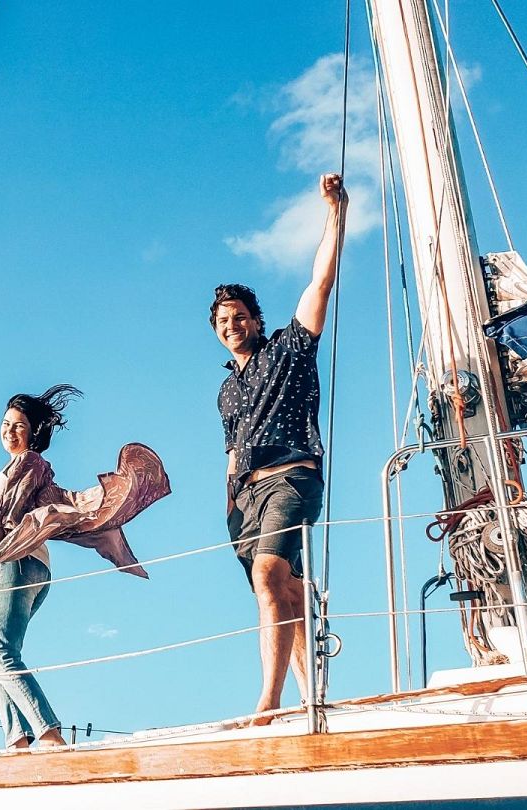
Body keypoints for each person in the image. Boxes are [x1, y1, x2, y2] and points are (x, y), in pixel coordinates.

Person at [0, 385, 170, 749]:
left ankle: (50, 736)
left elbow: (11, 521)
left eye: (19, 426)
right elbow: (9, 518)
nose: (9, 431)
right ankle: (18, 740)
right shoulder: (17, 467)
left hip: (18, 563)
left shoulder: (30, 462)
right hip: (21, 565)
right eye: (6, 423)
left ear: (34, 434)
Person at [214, 172, 347, 722]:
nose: (232, 325)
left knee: (270, 576)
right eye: (222, 321)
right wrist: (227, 503)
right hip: (244, 497)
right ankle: (309, 697)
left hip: (291, 477)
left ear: (257, 320)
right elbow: (230, 450)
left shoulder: (290, 348)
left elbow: (320, 285)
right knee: (284, 592)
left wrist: (335, 213)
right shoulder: (226, 390)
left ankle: (266, 703)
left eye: (240, 316)